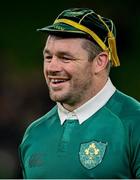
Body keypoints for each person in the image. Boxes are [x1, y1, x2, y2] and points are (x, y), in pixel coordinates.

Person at [19, 8, 140, 179]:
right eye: (48, 57)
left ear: (100, 62)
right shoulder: (34, 133)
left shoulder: (134, 123)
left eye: (65, 58)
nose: (52, 67)